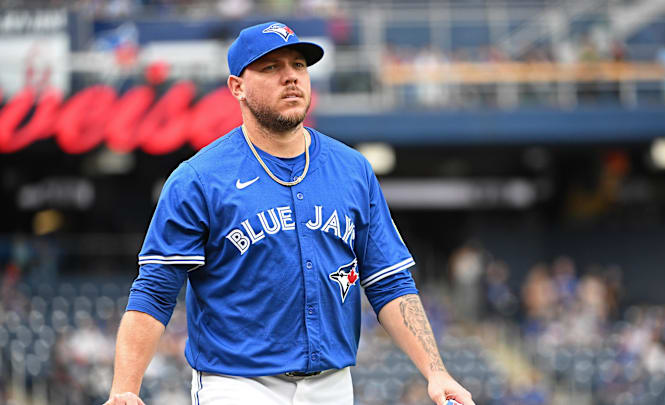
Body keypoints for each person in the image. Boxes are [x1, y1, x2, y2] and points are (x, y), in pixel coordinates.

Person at [105, 21, 474, 405]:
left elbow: (390, 283)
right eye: (270, 68)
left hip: (332, 384)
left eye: (298, 65)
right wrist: (124, 389)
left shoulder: (352, 169)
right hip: (238, 384)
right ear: (237, 87)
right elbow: (154, 292)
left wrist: (436, 371)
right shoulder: (198, 178)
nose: (291, 78)